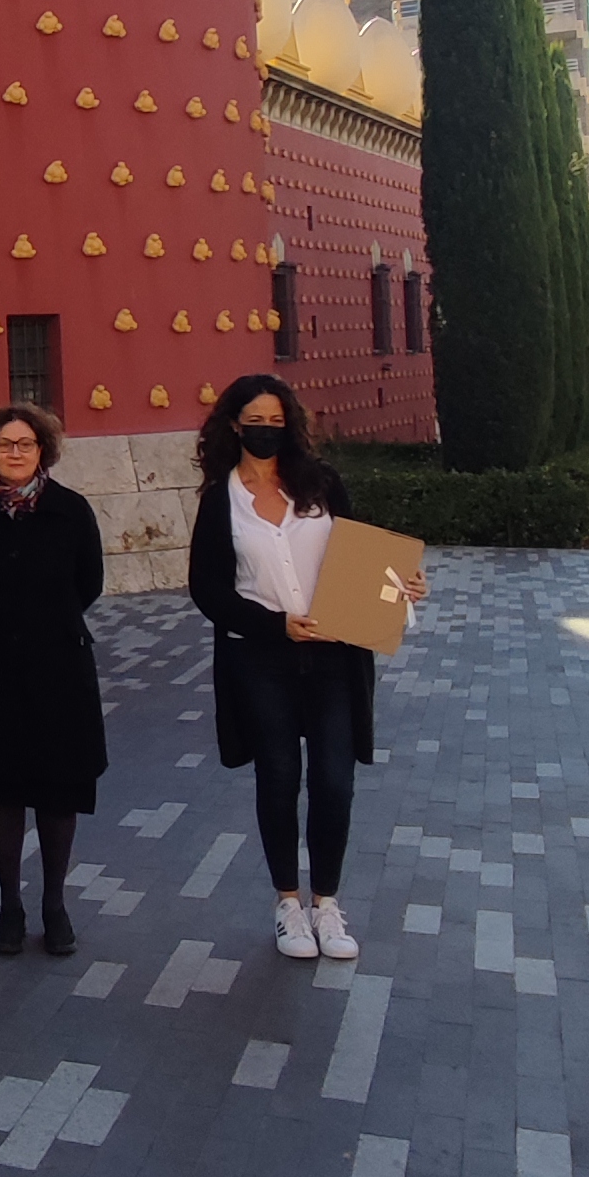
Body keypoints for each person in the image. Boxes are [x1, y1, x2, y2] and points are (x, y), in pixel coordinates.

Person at [186, 372, 424, 962]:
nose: (267, 431)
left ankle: (327, 903)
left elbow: (362, 559)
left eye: (277, 421)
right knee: (278, 775)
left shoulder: (322, 484)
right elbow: (208, 590)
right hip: (259, 655)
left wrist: (402, 584)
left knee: (335, 781)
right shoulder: (221, 499)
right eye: (256, 422)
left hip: (334, 652)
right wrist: (276, 625)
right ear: (234, 426)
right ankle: (288, 904)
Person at [0, 401, 108, 957]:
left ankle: (54, 904)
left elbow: (89, 582)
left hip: (59, 670)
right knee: (1, 788)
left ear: (43, 451)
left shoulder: (71, 510)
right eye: (4, 444)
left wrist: (45, 626)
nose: (15, 453)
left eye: (25, 444)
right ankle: (10, 905)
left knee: (59, 789)